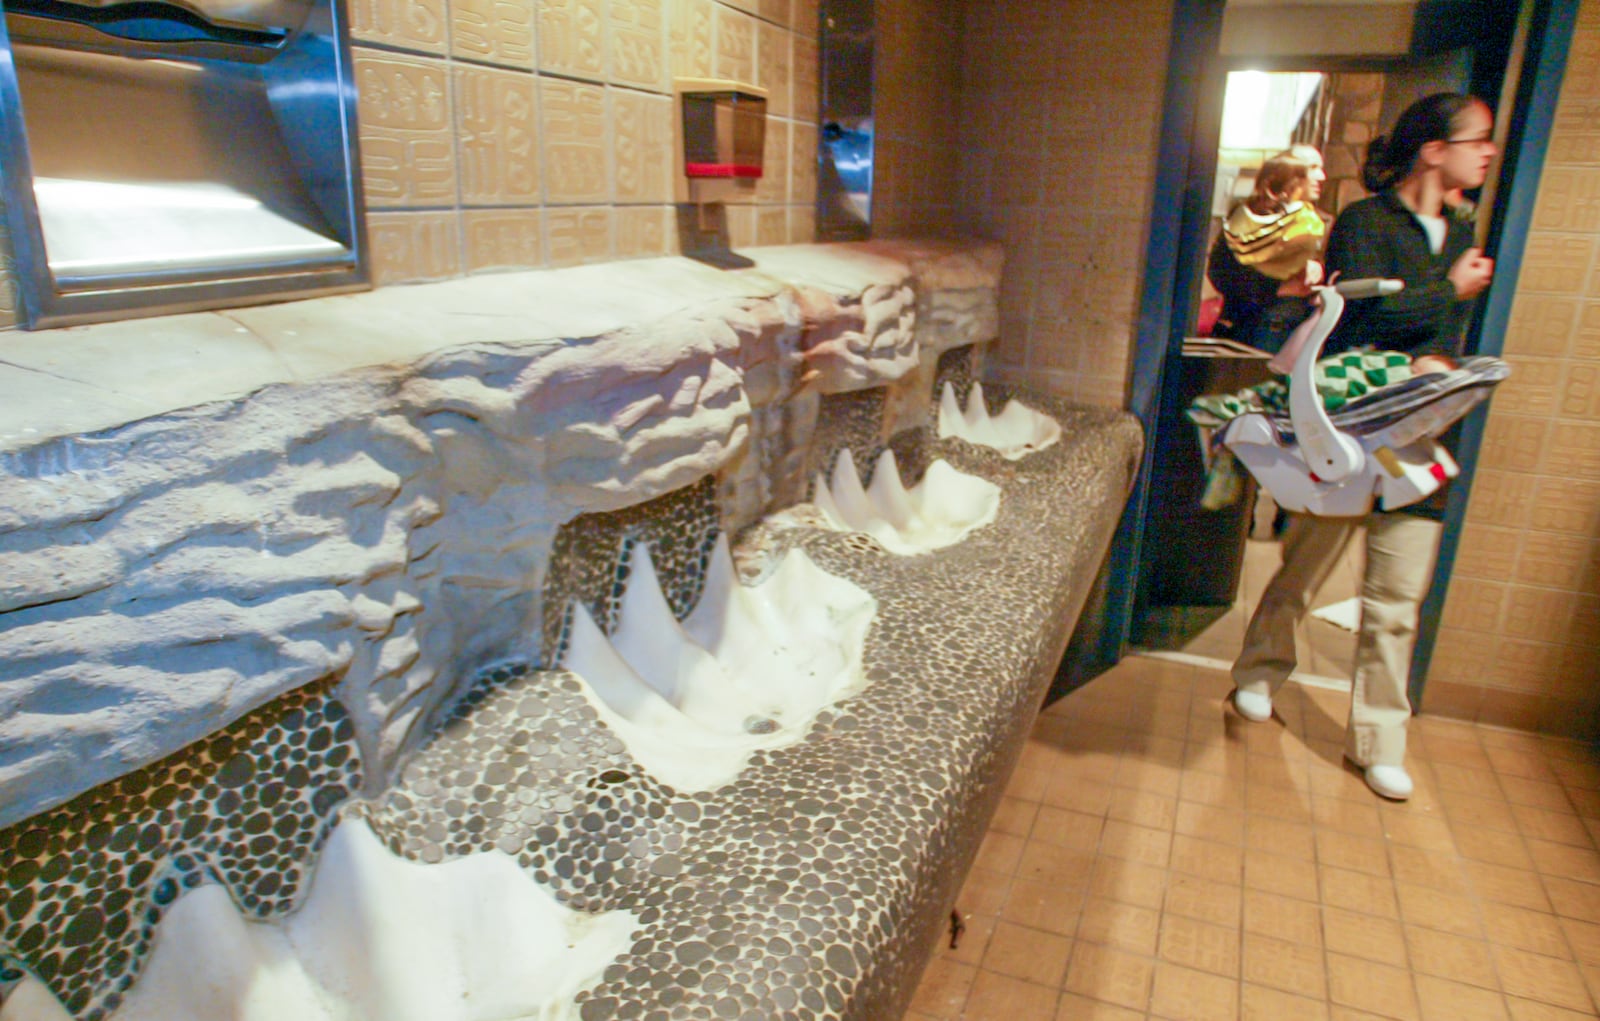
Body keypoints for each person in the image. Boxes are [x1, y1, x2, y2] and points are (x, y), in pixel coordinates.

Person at [1230, 94, 1497, 801]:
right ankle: (1257, 674)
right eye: (1479, 139)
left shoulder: (1463, 228)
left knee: (1395, 602)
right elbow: (1364, 313)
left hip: (1422, 433)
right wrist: (1451, 288)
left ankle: (1379, 738)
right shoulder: (1365, 223)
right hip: (1353, 429)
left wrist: (1442, 345)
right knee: (1304, 571)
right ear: (1433, 149)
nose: (1489, 151)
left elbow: (1432, 327)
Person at [1206, 145, 1329, 353]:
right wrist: (1275, 289)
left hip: (1295, 324)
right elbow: (1220, 272)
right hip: (1253, 326)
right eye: (1312, 167)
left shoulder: (1315, 221)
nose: (1321, 176)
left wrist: (1315, 268)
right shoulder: (1249, 217)